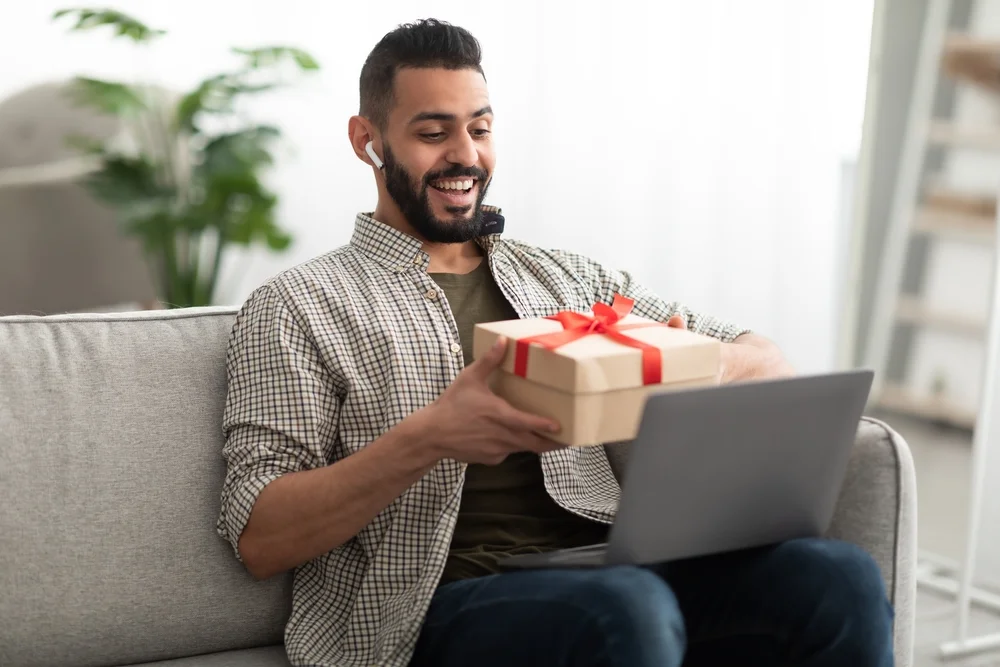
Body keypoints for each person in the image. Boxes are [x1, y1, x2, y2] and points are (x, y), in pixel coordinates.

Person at [216, 18, 894, 667]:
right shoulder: (298, 304)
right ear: (368, 139)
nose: (466, 155)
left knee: (837, 575)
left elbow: (766, 359)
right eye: (433, 132)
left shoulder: (567, 281)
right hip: (433, 609)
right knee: (624, 608)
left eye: (481, 129)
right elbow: (260, 535)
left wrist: (688, 364)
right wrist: (432, 436)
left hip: (609, 570)